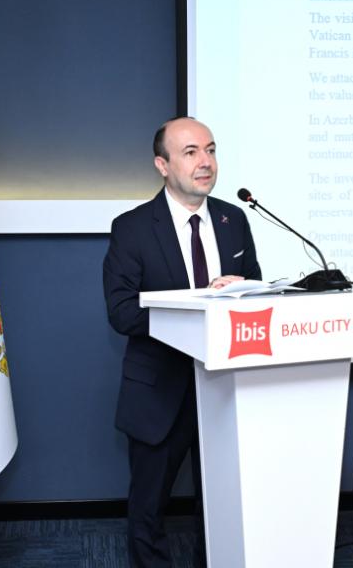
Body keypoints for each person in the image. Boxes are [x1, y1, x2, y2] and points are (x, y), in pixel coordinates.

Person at [103, 117, 262, 567]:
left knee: (221, 506)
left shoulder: (234, 220)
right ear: (162, 164)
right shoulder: (132, 228)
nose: (205, 161)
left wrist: (242, 292)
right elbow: (121, 311)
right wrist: (200, 301)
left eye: (210, 150)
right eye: (191, 152)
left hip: (226, 387)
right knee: (149, 510)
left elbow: (257, 294)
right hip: (160, 389)